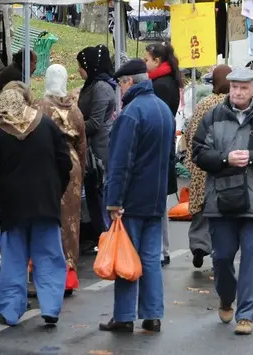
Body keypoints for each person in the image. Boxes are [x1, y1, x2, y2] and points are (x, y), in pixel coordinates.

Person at [192, 66, 253, 335]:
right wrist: (225, 159)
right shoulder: (213, 117)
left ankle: (246, 315)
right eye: (234, 87)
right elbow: (198, 152)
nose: (238, 92)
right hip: (219, 199)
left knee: (252, 258)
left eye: (244, 88)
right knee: (221, 257)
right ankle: (225, 296)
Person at [0, 82, 72, 326]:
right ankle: (51, 307)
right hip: (45, 202)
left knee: (14, 259)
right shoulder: (46, 125)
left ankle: (11, 310)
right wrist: (56, 190)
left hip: (12, 206)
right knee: (49, 255)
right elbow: (65, 162)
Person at [99, 59, 174, 334]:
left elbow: (120, 162)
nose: (120, 88)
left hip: (131, 200)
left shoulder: (131, 114)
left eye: (120, 83)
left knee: (126, 257)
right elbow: (168, 159)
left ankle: (124, 316)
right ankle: (153, 315)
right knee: (151, 259)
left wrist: (114, 201)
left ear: (129, 82)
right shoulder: (164, 110)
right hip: (156, 199)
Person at [33, 65, 87, 294]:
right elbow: (82, 146)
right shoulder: (75, 110)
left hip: (44, 165)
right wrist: (80, 172)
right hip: (71, 165)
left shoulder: (38, 107)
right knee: (70, 221)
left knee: (45, 219)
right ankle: (69, 273)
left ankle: (45, 272)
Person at [182, 65, 232, 268]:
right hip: (222, 165)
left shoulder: (204, 104)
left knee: (201, 207)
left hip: (200, 163)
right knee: (220, 210)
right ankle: (218, 250)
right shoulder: (231, 105)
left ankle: (198, 245)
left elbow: (190, 132)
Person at [143, 43, 183, 266]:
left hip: (159, 148)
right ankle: (161, 248)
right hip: (164, 146)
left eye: (147, 59)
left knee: (157, 203)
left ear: (157, 61)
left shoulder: (160, 86)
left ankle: (160, 249)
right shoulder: (166, 81)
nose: (145, 63)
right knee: (160, 203)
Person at [77, 44, 116, 240]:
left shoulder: (101, 88)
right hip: (92, 148)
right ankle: (100, 236)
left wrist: (72, 124)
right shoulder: (93, 85)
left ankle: (105, 236)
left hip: (100, 150)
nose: (78, 70)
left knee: (99, 194)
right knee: (93, 193)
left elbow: (95, 122)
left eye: (80, 65)